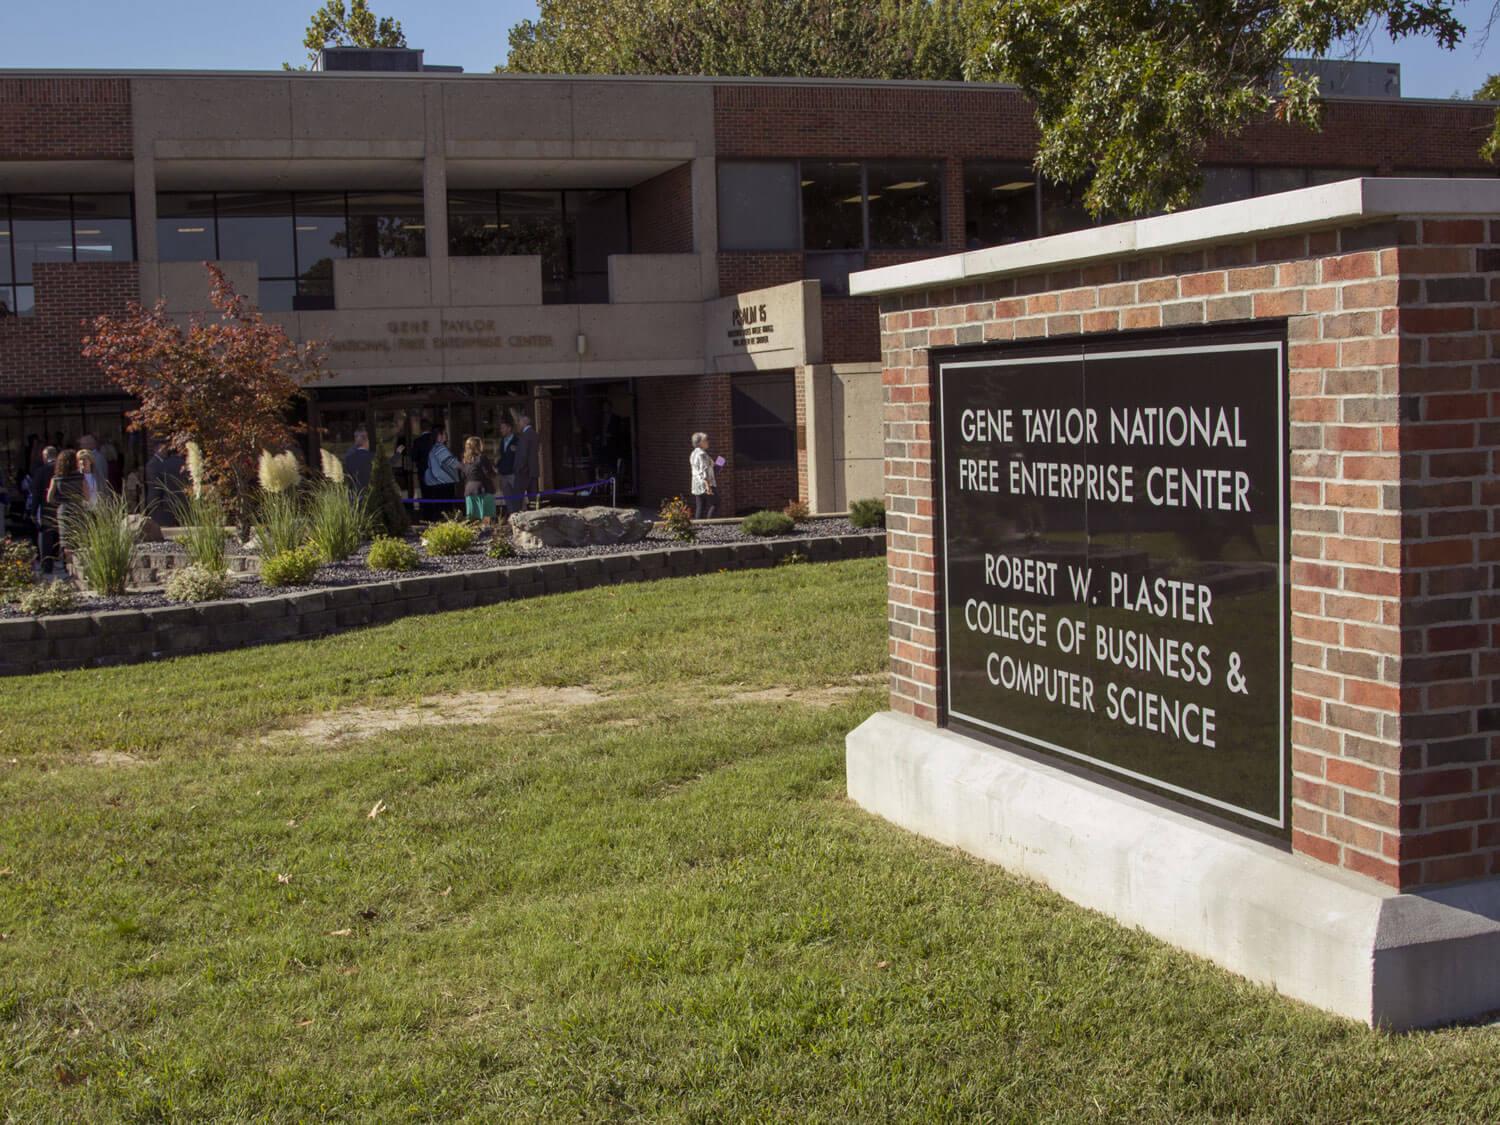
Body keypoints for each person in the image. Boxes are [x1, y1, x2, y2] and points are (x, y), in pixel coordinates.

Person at [46, 450, 87, 574]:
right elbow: (87, 496)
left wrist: (59, 501)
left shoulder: (57, 479)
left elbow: (49, 498)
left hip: (64, 509)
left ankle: (70, 570)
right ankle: (80, 568)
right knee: (79, 538)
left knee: (66, 541)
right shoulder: (80, 477)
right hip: (78, 508)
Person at [28, 446, 58, 573]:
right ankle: (67, 563)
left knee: (46, 535)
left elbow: (36, 493)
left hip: (47, 507)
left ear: (45, 457)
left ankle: (47, 564)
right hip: (62, 506)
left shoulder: (41, 471)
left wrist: (33, 512)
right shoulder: (63, 469)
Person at [459, 436, 497, 528]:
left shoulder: (464, 461)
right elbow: (488, 473)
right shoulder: (481, 458)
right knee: (486, 519)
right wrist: (495, 472)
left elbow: (462, 476)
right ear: (477, 446)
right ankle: (486, 537)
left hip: (469, 490)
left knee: (473, 520)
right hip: (483, 489)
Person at [145, 440, 187, 522]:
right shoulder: (153, 464)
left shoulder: (165, 463)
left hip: (169, 502)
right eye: (162, 448)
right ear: (156, 449)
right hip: (161, 503)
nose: (165, 450)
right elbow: (156, 485)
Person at [422, 426, 461, 505]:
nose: (446, 435)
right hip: (443, 482)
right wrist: (464, 466)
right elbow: (451, 461)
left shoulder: (434, 448)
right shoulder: (440, 448)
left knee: (440, 506)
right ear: (439, 436)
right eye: (444, 433)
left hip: (437, 482)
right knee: (446, 507)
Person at [513, 411, 539, 510]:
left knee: (517, 498)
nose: (518, 424)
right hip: (533, 471)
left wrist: (519, 468)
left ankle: (518, 517)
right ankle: (535, 516)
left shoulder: (525, 435)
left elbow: (523, 455)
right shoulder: (534, 434)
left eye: (519, 422)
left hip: (523, 472)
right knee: (533, 498)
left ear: (524, 422)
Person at [690, 431, 717, 519]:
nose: (708, 442)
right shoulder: (702, 454)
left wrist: (717, 465)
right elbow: (703, 471)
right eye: (706, 440)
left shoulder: (693, 453)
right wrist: (708, 486)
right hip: (705, 484)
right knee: (716, 503)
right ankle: (710, 524)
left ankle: (699, 526)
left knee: (701, 506)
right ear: (700, 443)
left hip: (696, 484)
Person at [495, 418, 518, 514]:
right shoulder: (502, 441)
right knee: (508, 497)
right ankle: (512, 516)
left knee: (518, 496)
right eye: (501, 428)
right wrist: (497, 466)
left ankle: (522, 516)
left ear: (509, 428)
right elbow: (501, 456)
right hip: (503, 473)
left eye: (503, 428)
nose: (501, 430)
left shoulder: (517, 440)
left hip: (514, 474)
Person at [409, 420, 437, 498]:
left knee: (426, 495)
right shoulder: (435, 440)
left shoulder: (418, 441)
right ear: (430, 428)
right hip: (437, 472)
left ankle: (427, 509)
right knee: (437, 495)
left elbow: (413, 457)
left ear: (421, 428)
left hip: (423, 472)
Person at [342, 427, 374, 493]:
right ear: (367, 441)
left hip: (353, 494)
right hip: (369, 495)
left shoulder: (348, 458)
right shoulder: (371, 457)